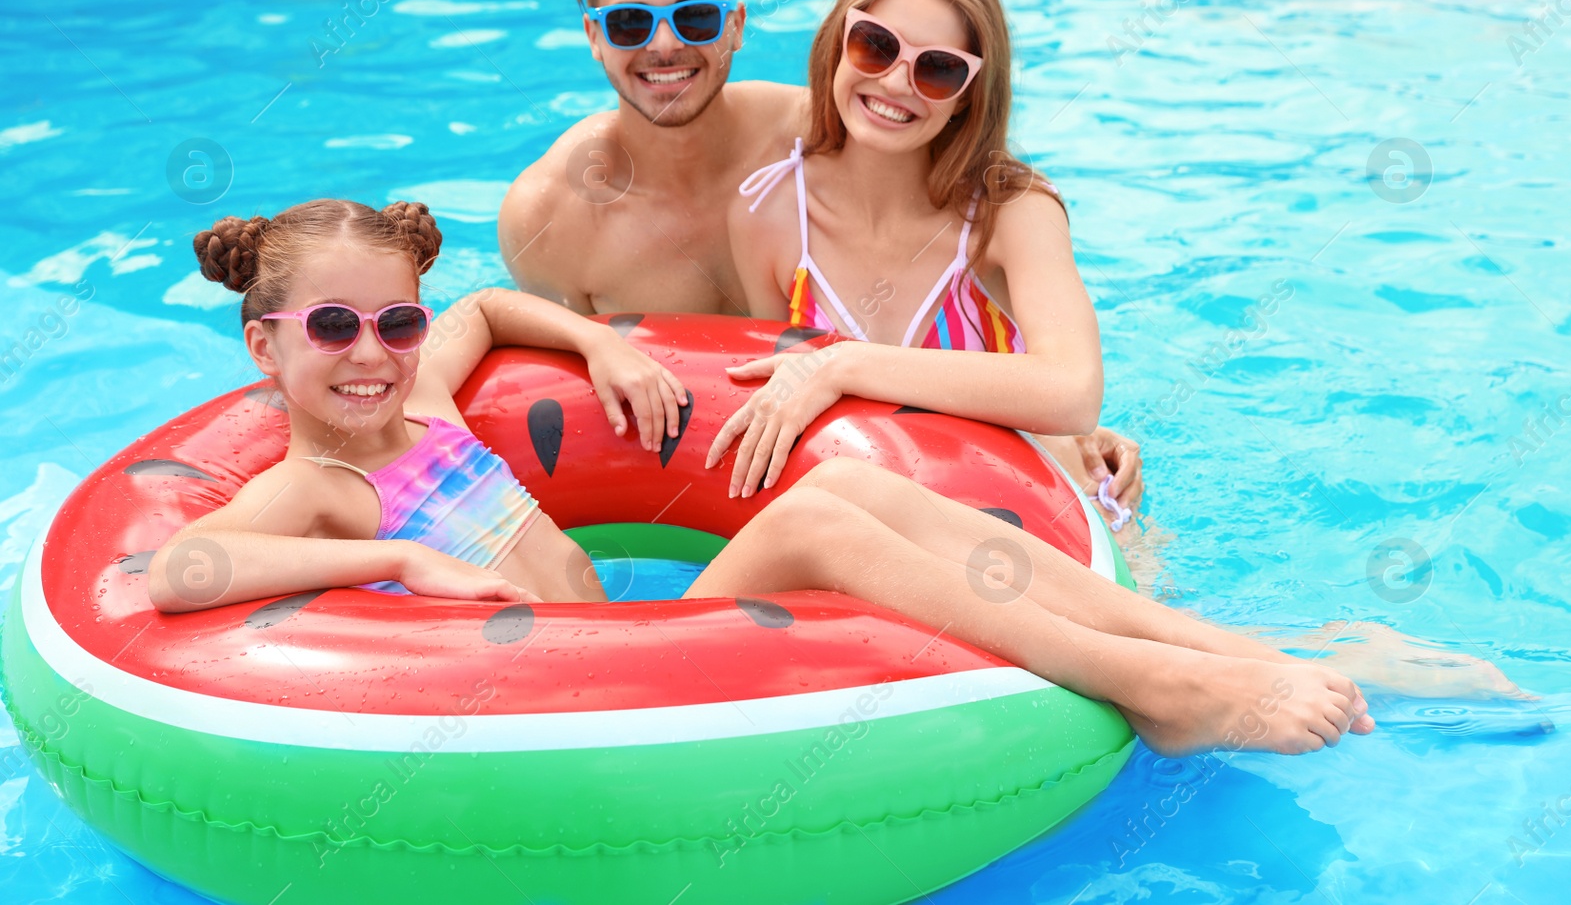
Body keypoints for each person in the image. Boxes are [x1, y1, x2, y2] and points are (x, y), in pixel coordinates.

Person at [150, 197, 1375, 757]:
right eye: (330, 330)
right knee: (823, 526)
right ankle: (1151, 685)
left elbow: (482, 302)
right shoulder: (315, 485)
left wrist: (593, 339)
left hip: (625, 632)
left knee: (856, 492)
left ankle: (1195, 641)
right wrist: (398, 556)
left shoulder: (421, 395)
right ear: (263, 345)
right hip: (582, 692)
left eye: (392, 324)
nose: (371, 354)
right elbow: (181, 566)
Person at [496, 0, 1144, 523]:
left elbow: (1069, 386)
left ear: (736, 25)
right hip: (860, 515)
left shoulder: (942, 179)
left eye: (939, 69)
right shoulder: (585, 219)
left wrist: (1064, 427)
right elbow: (753, 387)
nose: (896, 82)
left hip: (1031, 508)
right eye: (876, 46)